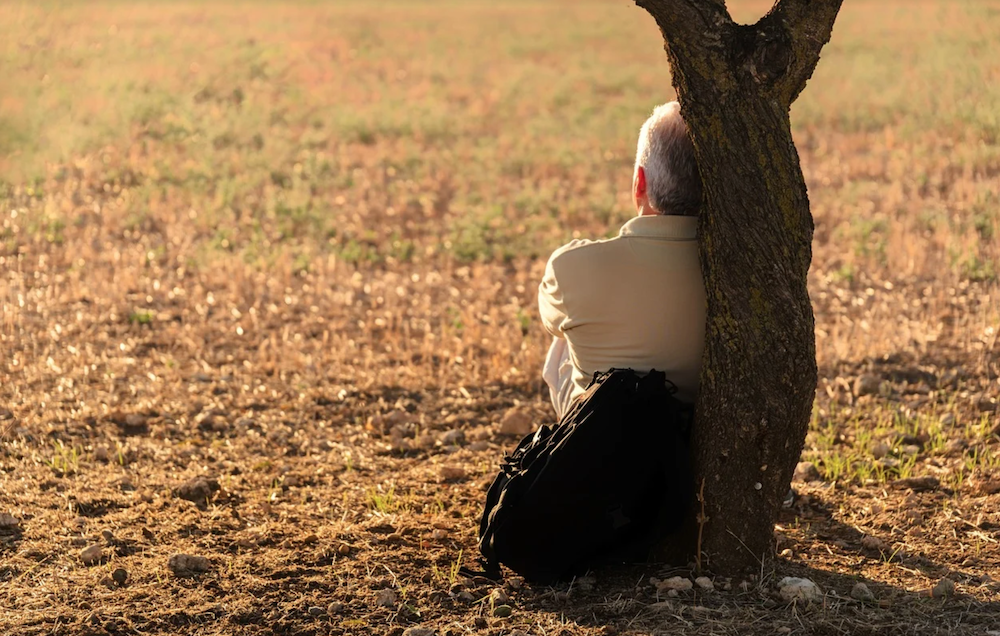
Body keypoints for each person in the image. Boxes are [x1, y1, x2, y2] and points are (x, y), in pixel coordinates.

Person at [539, 102, 706, 418]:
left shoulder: (570, 267)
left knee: (564, 339)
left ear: (639, 183)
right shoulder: (738, 274)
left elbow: (550, 320)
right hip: (694, 441)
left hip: (602, 445)